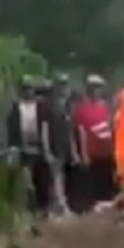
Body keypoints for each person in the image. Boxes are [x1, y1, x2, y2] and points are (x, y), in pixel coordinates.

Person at [7, 77, 54, 217]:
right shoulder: (16, 107)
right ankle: (29, 209)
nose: (28, 91)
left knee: (43, 179)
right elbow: (12, 128)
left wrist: (46, 150)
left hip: (38, 147)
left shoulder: (40, 106)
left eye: (30, 88)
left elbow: (45, 127)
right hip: (23, 148)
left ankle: (44, 209)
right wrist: (12, 148)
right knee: (27, 182)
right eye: (25, 88)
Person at [71, 73, 117, 211]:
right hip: (91, 150)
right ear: (88, 89)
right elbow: (80, 132)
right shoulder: (81, 108)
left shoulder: (105, 106)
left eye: (99, 87)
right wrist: (83, 153)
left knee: (106, 180)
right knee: (92, 181)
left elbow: (110, 126)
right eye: (93, 87)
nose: (96, 90)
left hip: (107, 150)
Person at [37, 74, 76, 215]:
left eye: (66, 85)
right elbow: (44, 129)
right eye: (61, 85)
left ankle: (58, 205)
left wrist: (73, 151)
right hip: (53, 145)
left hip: (63, 146)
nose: (64, 88)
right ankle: (60, 205)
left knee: (60, 176)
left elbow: (70, 129)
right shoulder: (48, 105)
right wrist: (46, 149)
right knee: (55, 176)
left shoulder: (67, 105)